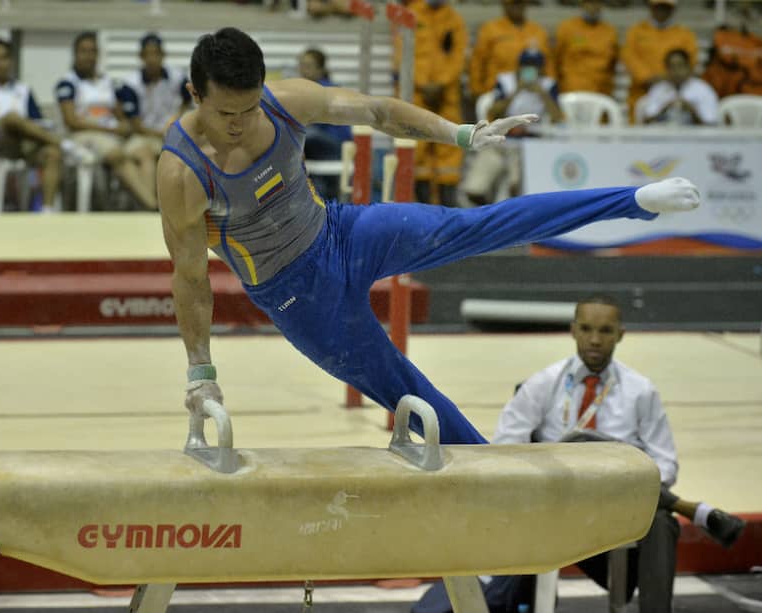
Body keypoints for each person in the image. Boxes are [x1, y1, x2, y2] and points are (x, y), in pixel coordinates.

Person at [158, 27, 700, 449]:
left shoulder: (286, 101)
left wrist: (459, 132)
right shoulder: (181, 172)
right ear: (194, 94)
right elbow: (190, 278)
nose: (239, 123)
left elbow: (376, 111)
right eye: (225, 112)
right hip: (297, 295)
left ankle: (632, 201)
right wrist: (200, 372)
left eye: (248, 109)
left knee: (479, 224)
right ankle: (495, 475)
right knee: (410, 394)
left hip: (342, 232)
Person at [413, 295, 747, 613]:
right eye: (587, 329)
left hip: (618, 506)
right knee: (578, 443)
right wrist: (568, 465)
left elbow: (666, 465)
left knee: (661, 523)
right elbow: (503, 452)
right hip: (555, 506)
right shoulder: (543, 385)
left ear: (620, 335)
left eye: (605, 331)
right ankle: (695, 510)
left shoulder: (640, 391)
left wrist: (619, 472)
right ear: (573, 330)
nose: (595, 340)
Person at [0, 38, 76, 212]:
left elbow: (36, 122)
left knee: (52, 153)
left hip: (22, 144)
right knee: (11, 118)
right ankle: (65, 144)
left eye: (4, 58)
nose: (0, 63)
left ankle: (47, 211)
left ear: (11, 61)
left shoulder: (24, 90)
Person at [55, 31, 156, 210]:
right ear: (75, 54)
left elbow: (119, 114)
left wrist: (124, 124)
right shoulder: (68, 83)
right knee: (117, 155)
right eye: (84, 51)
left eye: (93, 51)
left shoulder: (108, 82)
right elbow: (71, 121)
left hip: (111, 133)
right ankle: (152, 207)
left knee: (145, 152)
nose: (89, 56)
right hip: (84, 134)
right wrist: (110, 130)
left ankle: (145, 206)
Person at [462, 48, 564, 206]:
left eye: (535, 66)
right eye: (526, 65)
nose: (530, 70)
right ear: (519, 66)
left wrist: (542, 93)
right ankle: (482, 202)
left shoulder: (548, 84)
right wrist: (516, 91)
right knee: (474, 188)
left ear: (542, 68)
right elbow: (493, 111)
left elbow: (558, 117)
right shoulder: (505, 81)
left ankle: (505, 200)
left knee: (511, 188)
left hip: (530, 144)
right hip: (503, 140)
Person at [399, 0, 468, 207]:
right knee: (417, 149)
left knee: (449, 147)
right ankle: (423, 208)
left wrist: (440, 84)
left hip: (446, 96)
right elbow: (402, 53)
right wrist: (423, 84)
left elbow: (458, 56)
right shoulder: (410, 16)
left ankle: (448, 207)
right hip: (416, 94)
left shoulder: (454, 20)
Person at [118, 33, 192, 211]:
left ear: (162, 55)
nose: (152, 59)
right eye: (147, 54)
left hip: (171, 133)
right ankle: (151, 207)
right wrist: (162, 133)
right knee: (145, 154)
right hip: (142, 135)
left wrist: (177, 118)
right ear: (141, 57)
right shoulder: (130, 84)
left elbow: (188, 100)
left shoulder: (178, 77)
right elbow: (135, 125)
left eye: (156, 54)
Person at [620, 0, 698, 122]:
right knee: (638, 134)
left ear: (672, 10)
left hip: (673, 95)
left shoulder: (684, 34)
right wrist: (648, 78)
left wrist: (667, 79)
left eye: (666, 8)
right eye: (658, 7)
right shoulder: (636, 32)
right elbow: (629, 57)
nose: (662, 11)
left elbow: (690, 61)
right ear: (651, 8)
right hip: (641, 92)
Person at [297, 48, 352, 202]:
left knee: (306, 134)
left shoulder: (325, 90)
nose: (303, 70)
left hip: (336, 143)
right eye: (301, 65)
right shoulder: (304, 90)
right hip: (317, 149)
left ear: (320, 69)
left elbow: (311, 123)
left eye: (308, 66)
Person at [469, 0, 552, 102]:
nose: (516, 7)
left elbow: (548, 65)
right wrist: (476, 90)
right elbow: (477, 62)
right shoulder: (490, 29)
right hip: (496, 93)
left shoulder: (538, 31)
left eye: (519, 3)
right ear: (504, 4)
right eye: (511, 3)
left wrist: (550, 92)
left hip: (531, 95)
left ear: (525, 4)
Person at [554, 0, 619, 97]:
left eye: (597, 3)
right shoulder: (567, 28)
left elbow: (613, 65)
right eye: (589, 2)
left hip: (600, 90)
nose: (593, 7)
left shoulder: (610, 32)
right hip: (572, 89)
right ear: (582, 4)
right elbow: (556, 60)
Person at [641, 48, 720, 125]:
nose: (676, 71)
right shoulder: (658, 89)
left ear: (689, 67)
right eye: (671, 67)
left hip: (695, 137)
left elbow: (711, 126)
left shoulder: (703, 89)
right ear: (666, 69)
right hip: (663, 136)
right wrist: (663, 110)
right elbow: (645, 123)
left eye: (680, 66)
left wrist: (692, 112)